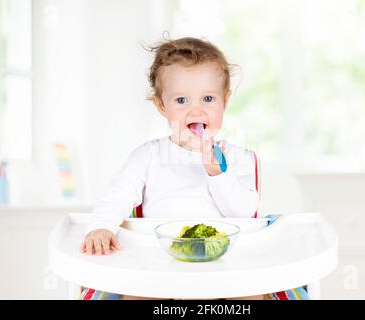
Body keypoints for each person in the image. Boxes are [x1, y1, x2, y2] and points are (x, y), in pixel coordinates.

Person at [79, 36, 271, 300]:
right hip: (156, 266)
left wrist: (219, 175)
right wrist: (101, 226)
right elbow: (118, 195)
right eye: (181, 101)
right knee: (136, 293)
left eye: (207, 98)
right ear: (161, 106)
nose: (196, 111)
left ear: (225, 101)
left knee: (251, 293)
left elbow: (245, 213)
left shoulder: (237, 159)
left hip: (225, 267)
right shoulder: (148, 156)